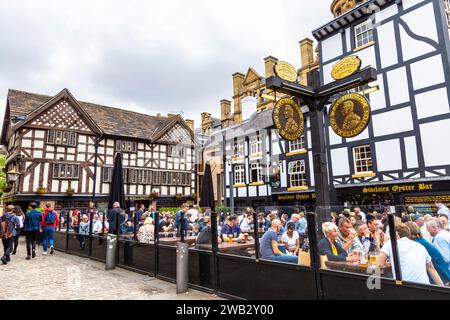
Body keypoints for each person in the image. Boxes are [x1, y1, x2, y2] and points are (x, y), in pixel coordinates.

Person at [377, 223, 443, 286]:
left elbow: (378, 264)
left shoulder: (391, 243)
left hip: (406, 287)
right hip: (425, 287)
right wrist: (443, 290)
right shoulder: (420, 246)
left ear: (397, 235)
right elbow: (432, 269)